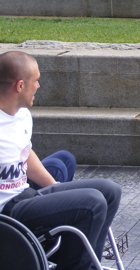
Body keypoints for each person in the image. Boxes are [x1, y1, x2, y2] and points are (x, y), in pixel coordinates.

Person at [0, 51, 121, 270]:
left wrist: (58, 189)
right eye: (35, 81)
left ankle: (87, 262)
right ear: (20, 85)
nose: (38, 86)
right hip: (7, 214)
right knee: (92, 202)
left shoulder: (21, 114)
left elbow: (25, 154)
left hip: (25, 195)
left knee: (109, 190)